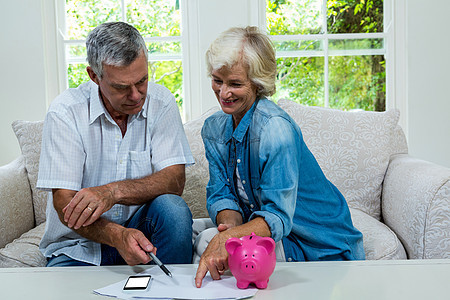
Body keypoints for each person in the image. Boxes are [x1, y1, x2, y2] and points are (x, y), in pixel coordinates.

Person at [194, 26, 365, 288]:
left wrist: (226, 241)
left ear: (258, 83)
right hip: (264, 228)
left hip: (314, 243)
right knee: (195, 232)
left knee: (209, 241)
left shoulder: (275, 129)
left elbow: (278, 218)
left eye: (235, 84)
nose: (223, 92)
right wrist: (229, 230)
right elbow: (222, 193)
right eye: (218, 80)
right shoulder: (214, 129)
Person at [37, 22, 194, 267]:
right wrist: (117, 236)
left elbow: (174, 180)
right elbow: (64, 202)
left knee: (173, 209)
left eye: (142, 81)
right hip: (79, 246)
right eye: (122, 87)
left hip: (144, 238)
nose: (136, 95)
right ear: (94, 76)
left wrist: (112, 192)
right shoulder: (65, 112)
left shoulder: (162, 102)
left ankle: (177, 291)